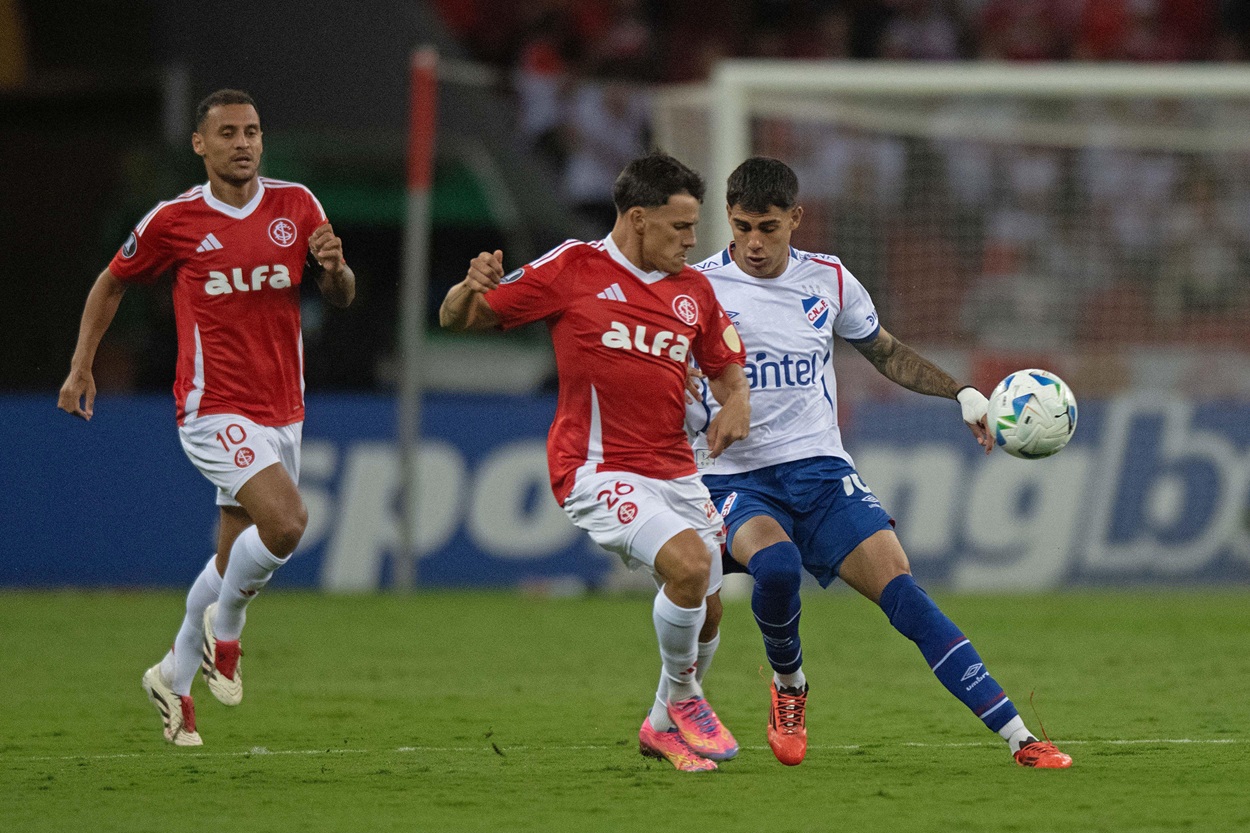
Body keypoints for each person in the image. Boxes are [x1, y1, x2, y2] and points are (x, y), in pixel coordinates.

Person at [686, 156, 1072, 769]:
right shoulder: (697, 288)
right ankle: (790, 688)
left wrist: (961, 393)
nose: (754, 243)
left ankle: (1020, 738)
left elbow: (885, 351)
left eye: (769, 227)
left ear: (796, 218)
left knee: (907, 597)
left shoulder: (831, 280)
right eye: (742, 227)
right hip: (734, 475)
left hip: (820, 470)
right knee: (778, 566)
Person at [58, 89, 355, 746]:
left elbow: (340, 292)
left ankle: (172, 674)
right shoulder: (175, 220)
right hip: (211, 407)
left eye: (252, 130)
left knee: (231, 560)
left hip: (284, 409)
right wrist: (82, 363)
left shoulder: (297, 205)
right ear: (201, 145)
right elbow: (111, 281)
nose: (243, 143)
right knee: (288, 521)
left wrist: (334, 269)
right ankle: (229, 630)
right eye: (227, 133)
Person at [440, 151, 751, 773]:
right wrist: (465, 289)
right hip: (597, 468)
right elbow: (463, 318)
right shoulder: (574, 268)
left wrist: (735, 403)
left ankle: (661, 727)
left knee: (710, 608)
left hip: (676, 470)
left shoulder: (695, 292)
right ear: (638, 218)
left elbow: (724, 366)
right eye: (680, 227)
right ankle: (688, 696)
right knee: (689, 567)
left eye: (695, 227)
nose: (693, 241)